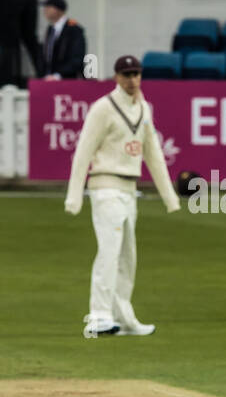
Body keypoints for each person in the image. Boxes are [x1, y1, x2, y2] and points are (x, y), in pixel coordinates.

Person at [64, 55, 180, 338]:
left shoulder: (143, 108)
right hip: (105, 187)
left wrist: (170, 197)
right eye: (126, 74)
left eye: (136, 74)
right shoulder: (103, 108)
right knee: (110, 249)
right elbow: (84, 152)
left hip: (130, 190)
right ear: (116, 77)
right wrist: (74, 196)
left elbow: (153, 153)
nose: (132, 80)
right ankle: (99, 315)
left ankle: (122, 316)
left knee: (128, 256)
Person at [39, 0, 88, 79]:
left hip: (68, 79)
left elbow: (77, 57)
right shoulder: (50, 29)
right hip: (49, 78)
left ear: (59, 10)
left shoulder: (73, 29)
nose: (45, 10)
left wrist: (59, 75)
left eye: (49, 7)